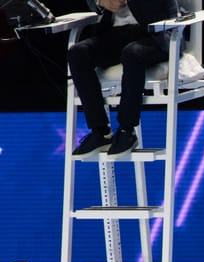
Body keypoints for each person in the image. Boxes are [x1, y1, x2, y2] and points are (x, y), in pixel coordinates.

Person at [67, 0, 179, 157]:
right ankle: (100, 131)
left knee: (132, 53)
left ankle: (127, 129)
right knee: (78, 53)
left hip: (155, 32)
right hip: (116, 33)